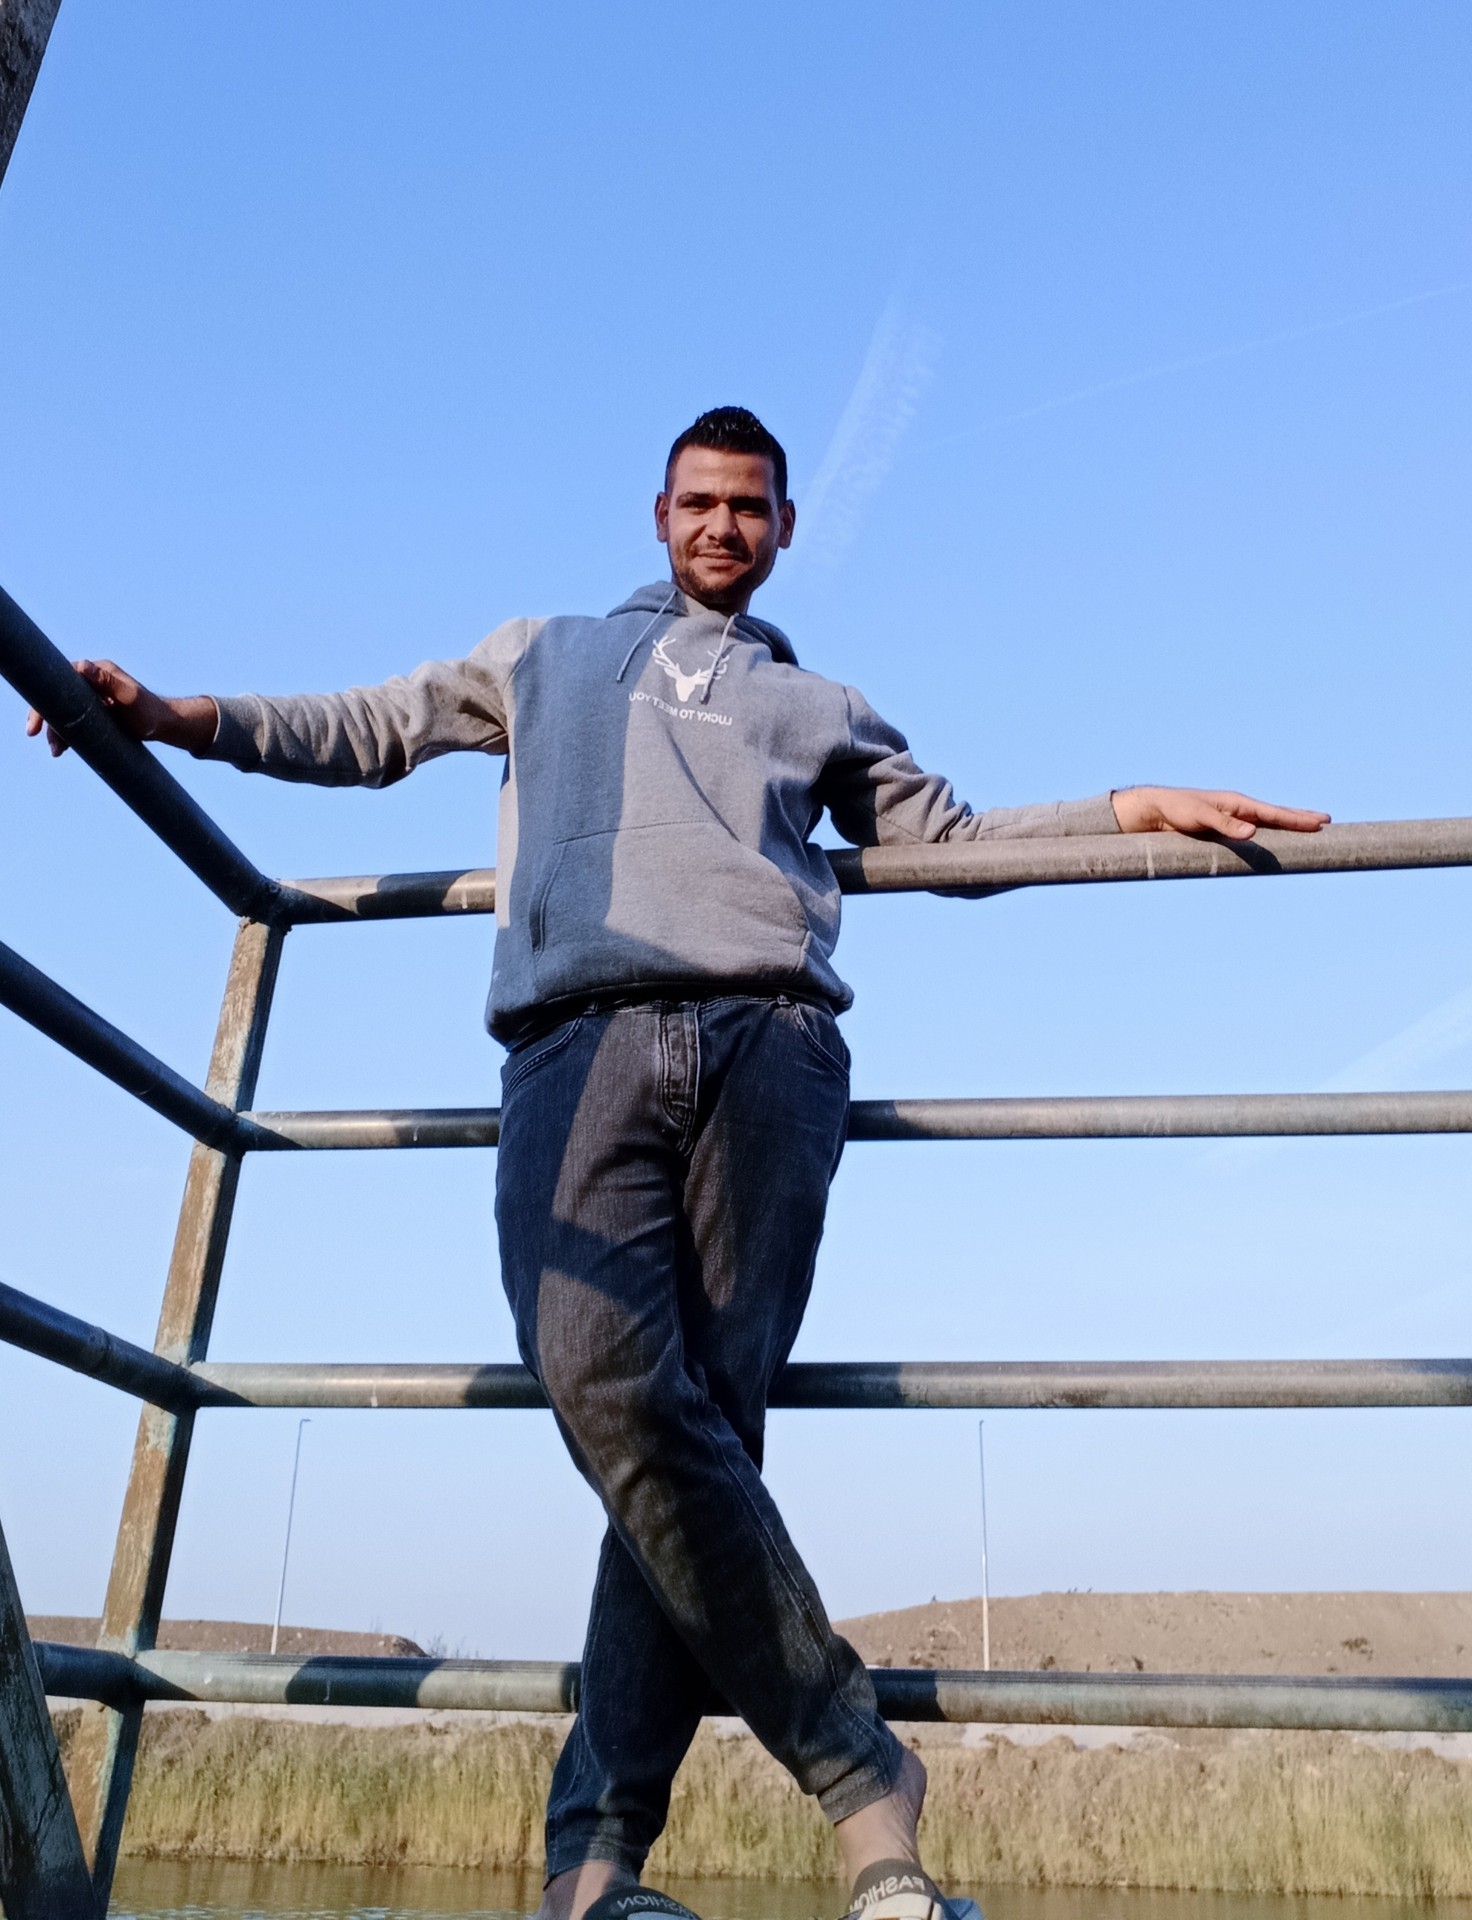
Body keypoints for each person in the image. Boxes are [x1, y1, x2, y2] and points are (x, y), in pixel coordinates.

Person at [29, 406, 1329, 1920]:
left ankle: (594, 1870)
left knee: (699, 1425)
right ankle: (862, 1774)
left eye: (751, 507)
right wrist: (177, 715)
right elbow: (372, 727)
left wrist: (1123, 811)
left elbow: (949, 841)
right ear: (659, 513)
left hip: (772, 1050)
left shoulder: (823, 704)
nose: (724, 526)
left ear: (783, 530)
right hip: (574, 1042)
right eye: (701, 502)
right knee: (605, 1379)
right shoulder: (543, 653)